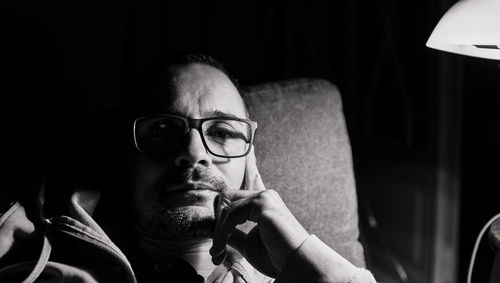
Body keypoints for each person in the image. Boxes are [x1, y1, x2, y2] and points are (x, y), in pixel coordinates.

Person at [0, 54, 376, 282]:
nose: (194, 153)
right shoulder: (27, 251)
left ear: (250, 154)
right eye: (163, 130)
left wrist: (304, 261)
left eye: (224, 131)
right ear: (122, 149)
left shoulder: (295, 273)